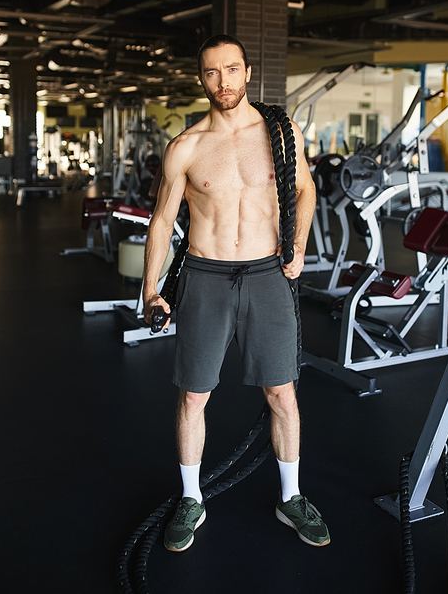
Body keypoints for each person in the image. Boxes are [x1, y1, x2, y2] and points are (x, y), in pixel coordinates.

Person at [143, 34, 330, 552]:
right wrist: (149, 290)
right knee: (194, 395)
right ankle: (190, 499)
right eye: (211, 73)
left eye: (231, 70)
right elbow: (161, 222)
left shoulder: (280, 134)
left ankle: (291, 497)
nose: (222, 82)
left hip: (269, 275)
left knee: (282, 395)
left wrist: (298, 242)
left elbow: (306, 190)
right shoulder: (187, 146)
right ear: (200, 79)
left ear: (247, 72)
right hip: (205, 277)